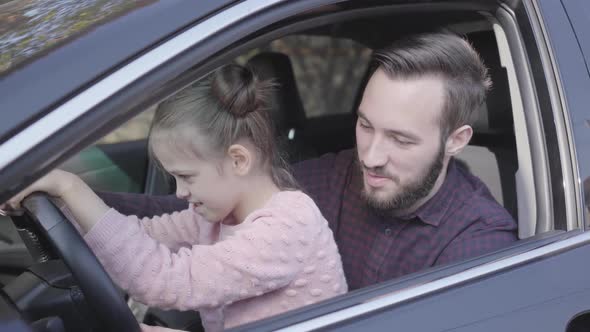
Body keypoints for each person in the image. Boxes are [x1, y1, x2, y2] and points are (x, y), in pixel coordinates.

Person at [97, 32, 518, 292]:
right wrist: (79, 205)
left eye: (401, 139)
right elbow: (200, 207)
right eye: (365, 125)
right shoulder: (336, 174)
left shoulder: (479, 246)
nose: (370, 156)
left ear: (455, 141)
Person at [1, 65, 347, 331]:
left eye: (187, 176)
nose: (180, 193)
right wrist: (58, 209)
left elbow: (165, 281)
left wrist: (72, 188)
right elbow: (139, 236)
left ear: (238, 160)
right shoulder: (213, 217)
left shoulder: (287, 225)